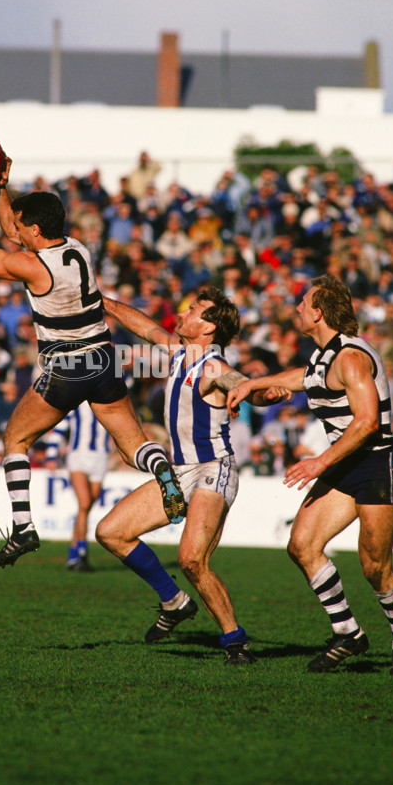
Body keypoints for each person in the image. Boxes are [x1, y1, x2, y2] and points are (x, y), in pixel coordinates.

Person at [0, 158, 187, 568]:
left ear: (33, 230)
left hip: (67, 367)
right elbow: (16, 229)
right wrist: (1, 189)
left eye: (20, 225)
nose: (15, 230)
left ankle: (24, 527)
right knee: (132, 446)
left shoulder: (32, 265)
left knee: (15, 439)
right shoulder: (76, 249)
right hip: (104, 359)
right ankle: (164, 472)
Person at [227, 274, 393, 676]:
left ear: (318, 312)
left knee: (374, 567)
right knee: (302, 545)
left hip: (376, 463)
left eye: (303, 302)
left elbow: (366, 423)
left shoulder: (349, 356)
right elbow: (301, 378)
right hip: (344, 462)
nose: (296, 308)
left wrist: (319, 461)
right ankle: (348, 632)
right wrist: (253, 384)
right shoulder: (323, 353)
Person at [96, 285, 289, 666]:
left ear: (208, 328)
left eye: (194, 309)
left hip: (213, 470)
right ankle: (174, 601)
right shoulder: (179, 353)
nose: (184, 311)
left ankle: (236, 643)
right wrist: (103, 301)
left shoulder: (214, 366)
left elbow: (242, 387)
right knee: (110, 533)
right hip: (180, 472)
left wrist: (266, 395)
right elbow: (144, 327)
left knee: (191, 560)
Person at [45, 401, 111, 572]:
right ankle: (82, 552)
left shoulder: (109, 399)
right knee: (84, 503)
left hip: (100, 458)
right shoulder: (77, 401)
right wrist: (51, 455)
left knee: (86, 509)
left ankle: (73, 554)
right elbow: (60, 427)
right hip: (78, 456)